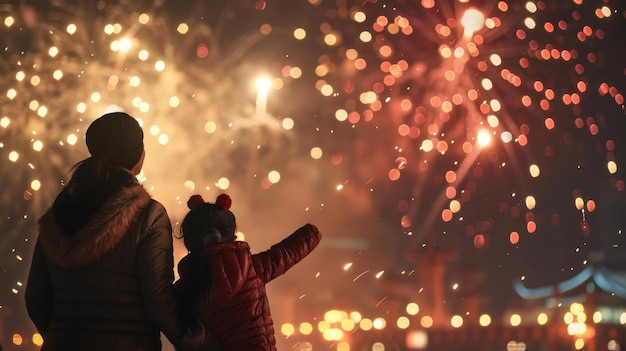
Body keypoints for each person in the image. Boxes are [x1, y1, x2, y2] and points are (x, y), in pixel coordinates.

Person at [24, 112, 189, 350]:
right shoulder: (148, 215)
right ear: (138, 155)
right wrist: (204, 343)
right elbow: (160, 303)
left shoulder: (57, 215)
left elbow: (35, 298)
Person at [174, 193, 322, 351]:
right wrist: (312, 233)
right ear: (230, 233)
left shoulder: (184, 288)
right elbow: (285, 254)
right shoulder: (252, 268)